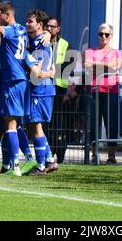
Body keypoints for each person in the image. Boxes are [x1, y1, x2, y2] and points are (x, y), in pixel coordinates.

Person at [25, 9, 57, 175]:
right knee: (34, 126)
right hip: (41, 89)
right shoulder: (37, 39)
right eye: (27, 21)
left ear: (39, 25)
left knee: (36, 126)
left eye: (31, 21)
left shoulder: (39, 43)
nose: (27, 24)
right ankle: (50, 160)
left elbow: (37, 73)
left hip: (41, 89)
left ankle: (40, 165)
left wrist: (48, 73)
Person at [84, 23, 122, 164]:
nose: (103, 37)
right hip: (94, 91)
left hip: (111, 91)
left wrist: (97, 66)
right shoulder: (90, 51)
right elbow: (88, 67)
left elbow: (114, 67)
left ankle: (111, 156)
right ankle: (95, 155)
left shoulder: (116, 52)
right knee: (94, 124)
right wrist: (106, 67)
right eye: (101, 34)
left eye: (106, 34)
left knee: (111, 124)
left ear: (111, 36)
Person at [44, 17, 73, 163]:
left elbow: (71, 69)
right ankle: (48, 153)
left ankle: (60, 154)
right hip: (44, 86)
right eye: (47, 26)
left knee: (60, 124)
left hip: (60, 89)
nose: (49, 29)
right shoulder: (41, 41)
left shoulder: (65, 44)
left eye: (53, 26)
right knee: (46, 122)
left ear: (58, 29)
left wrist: (69, 91)